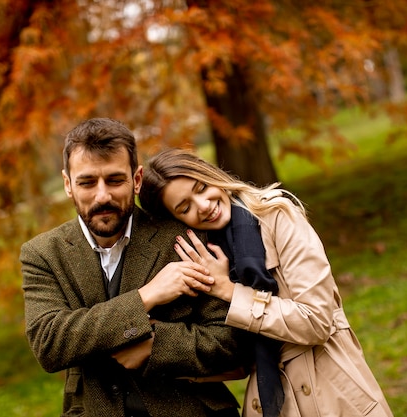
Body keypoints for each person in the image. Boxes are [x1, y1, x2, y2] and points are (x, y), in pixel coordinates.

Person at [139, 148, 394, 417]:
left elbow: (316, 322)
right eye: (185, 207)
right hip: (271, 402)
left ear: (212, 175)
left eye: (201, 187)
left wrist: (228, 290)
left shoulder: (276, 215)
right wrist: (155, 346)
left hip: (332, 393)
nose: (203, 205)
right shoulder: (204, 257)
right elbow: (235, 359)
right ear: (177, 221)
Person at [20, 119, 249, 417]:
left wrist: (156, 347)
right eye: (87, 182)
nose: (102, 196)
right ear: (68, 185)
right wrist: (145, 298)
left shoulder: (183, 236)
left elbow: (230, 345)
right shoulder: (42, 254)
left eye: (115, 180)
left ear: (137, 179)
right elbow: (49, 344)